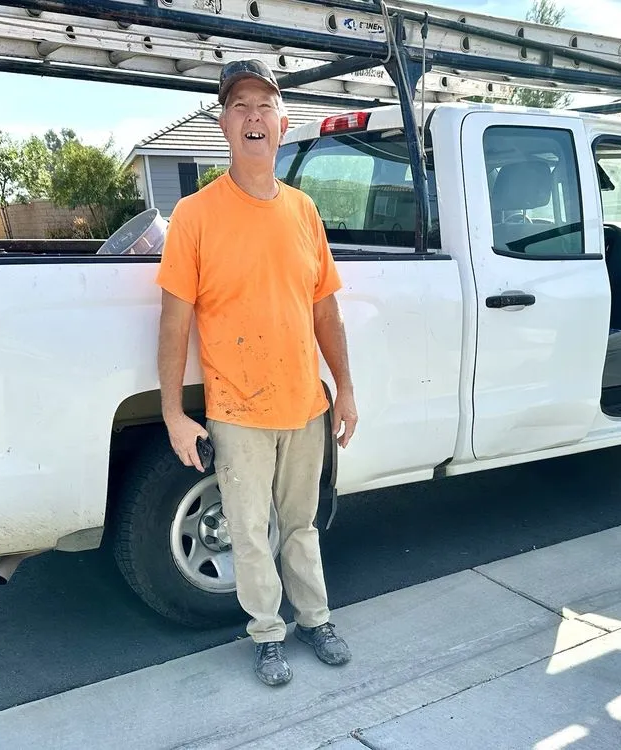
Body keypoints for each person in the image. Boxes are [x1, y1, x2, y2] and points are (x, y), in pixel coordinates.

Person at [155, 58, 358, 687]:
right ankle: (267, 635)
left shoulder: (304, 211)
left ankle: (314, 618)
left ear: (283, 123)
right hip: (237, 409)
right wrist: (171, 412)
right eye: (239, 105)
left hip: (306, 404)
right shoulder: (194, 215)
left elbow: (325, 308)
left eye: (264, 106)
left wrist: (344, 388)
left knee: (301, 524)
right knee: (247, 531)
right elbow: (173, 322)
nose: (252, 117)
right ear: (223, 124)